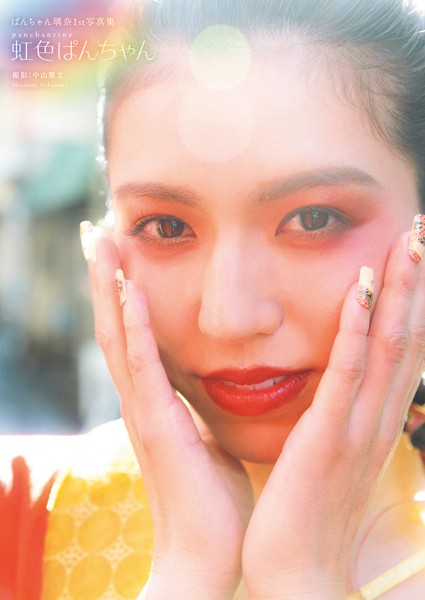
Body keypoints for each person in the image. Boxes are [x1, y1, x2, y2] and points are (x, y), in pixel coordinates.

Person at [76, 0, 425, 597]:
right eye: (166, 227)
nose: (229, 318)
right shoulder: (21, 519)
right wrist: (189, 570)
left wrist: (299, 577)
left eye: (313, 218)